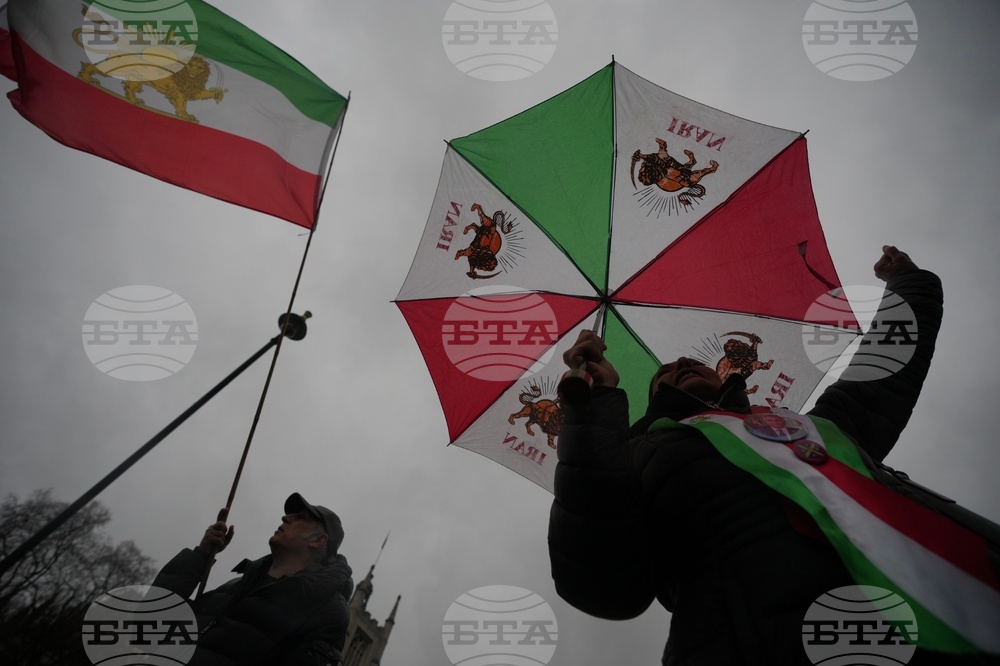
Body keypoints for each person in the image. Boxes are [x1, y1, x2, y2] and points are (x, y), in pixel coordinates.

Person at [548, 246, 1000, 664]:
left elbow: (884, 366)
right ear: (654, 401)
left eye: (691, 362)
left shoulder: (805, 426)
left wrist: (909, 285)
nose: (681, 362)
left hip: (954, 594)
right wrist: (594, 405)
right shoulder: (636, 452)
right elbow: (605, 583)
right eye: (664, 374)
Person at [152, 493, 353, 665]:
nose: (285, 517)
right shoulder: (237, 586)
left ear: (318, 540)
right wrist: (201, 556)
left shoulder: (328, 612)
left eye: (300, 517)